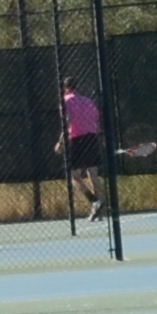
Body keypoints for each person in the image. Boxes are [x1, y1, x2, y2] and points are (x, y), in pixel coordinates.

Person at [59, 80, 107, 223]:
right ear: (76, 86)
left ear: (66, 88)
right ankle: (99, 209)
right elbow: (95, 119)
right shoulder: (88, 101)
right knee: (93, 173)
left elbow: (68, 120)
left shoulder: (65, 101)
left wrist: (61, 141)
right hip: (92, 138)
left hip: (77, 139)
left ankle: (93, 201)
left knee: (74, 175)